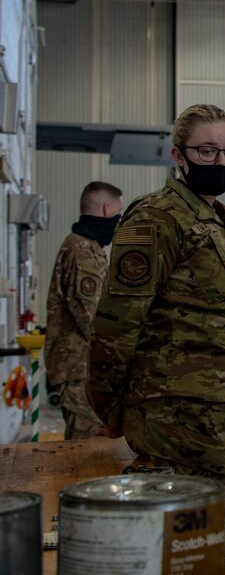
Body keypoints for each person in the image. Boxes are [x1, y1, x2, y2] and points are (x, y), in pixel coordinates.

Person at [88, 104, 225, 555]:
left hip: (222, 420)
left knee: (210, 550)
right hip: (176, 421)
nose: (221, 162)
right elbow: (116, 323)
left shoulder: (219, 224)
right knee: (181, 554)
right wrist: (109, 406)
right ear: (178, 156)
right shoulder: (157, 219)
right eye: (207, 151)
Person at [45, 180, 124, 439]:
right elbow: (90, 318)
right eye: (117, 212)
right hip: (77, 366)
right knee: (88, 443)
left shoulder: (88, 247)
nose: (117, 221)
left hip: (82, 365)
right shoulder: (82, 252)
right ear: (105, 209)